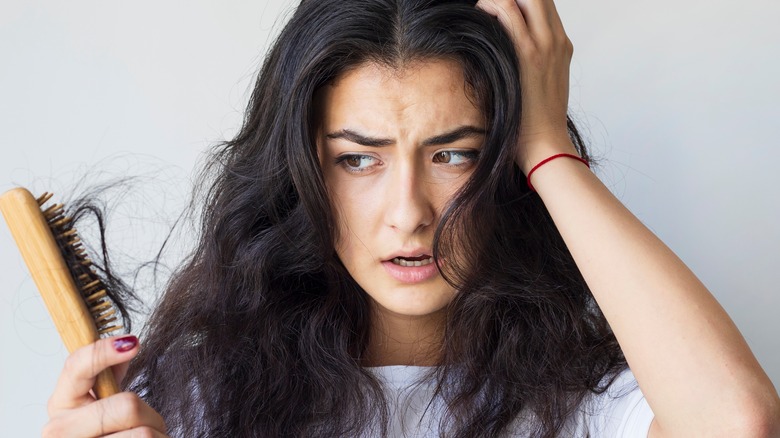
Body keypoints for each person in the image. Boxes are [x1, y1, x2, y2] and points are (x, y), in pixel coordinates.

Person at [42, 0, 780, 436]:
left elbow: (737, 422)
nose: (409, 215)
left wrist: (547, 143)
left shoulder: (588, 403)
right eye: (358, 160)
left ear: (505, 167)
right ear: (300, 171)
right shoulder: (196, 397)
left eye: (453, 155)